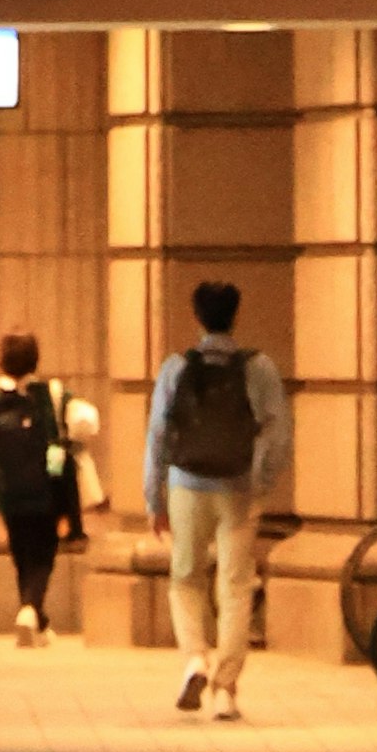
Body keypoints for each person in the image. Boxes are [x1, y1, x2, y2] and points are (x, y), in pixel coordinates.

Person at [141, 278, 288, 718]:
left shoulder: (176, 367)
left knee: (185, 577)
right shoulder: (257, 368)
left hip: (187, 485)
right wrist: (262, 478)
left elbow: (158, 435)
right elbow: (277, 429)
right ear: (235, 316)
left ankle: (193, 660)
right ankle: (226, 688)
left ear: (197, 317)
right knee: (236, 585)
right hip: (238, 488)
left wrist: (155, 498)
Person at [0, 331, 91, 642]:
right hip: (47, 490)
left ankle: (36, 622)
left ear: (1, 361)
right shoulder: (51, 396)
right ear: (35, 360)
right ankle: (30, 609)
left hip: (9, 493)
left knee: (21, 553)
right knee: (43, 554)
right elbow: (88, 421)